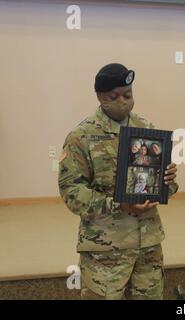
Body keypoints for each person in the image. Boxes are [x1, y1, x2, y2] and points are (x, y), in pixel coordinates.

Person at [58, 63, 178, 300]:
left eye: (128, 95)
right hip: (106, 250)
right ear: (101, 97)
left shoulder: (146, 129)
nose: (122, 101)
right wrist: (118, 204)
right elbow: (72, 192)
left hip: (148, 245)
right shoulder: (81, 137)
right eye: (114, 96)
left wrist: (169, 180)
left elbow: (163, 184)